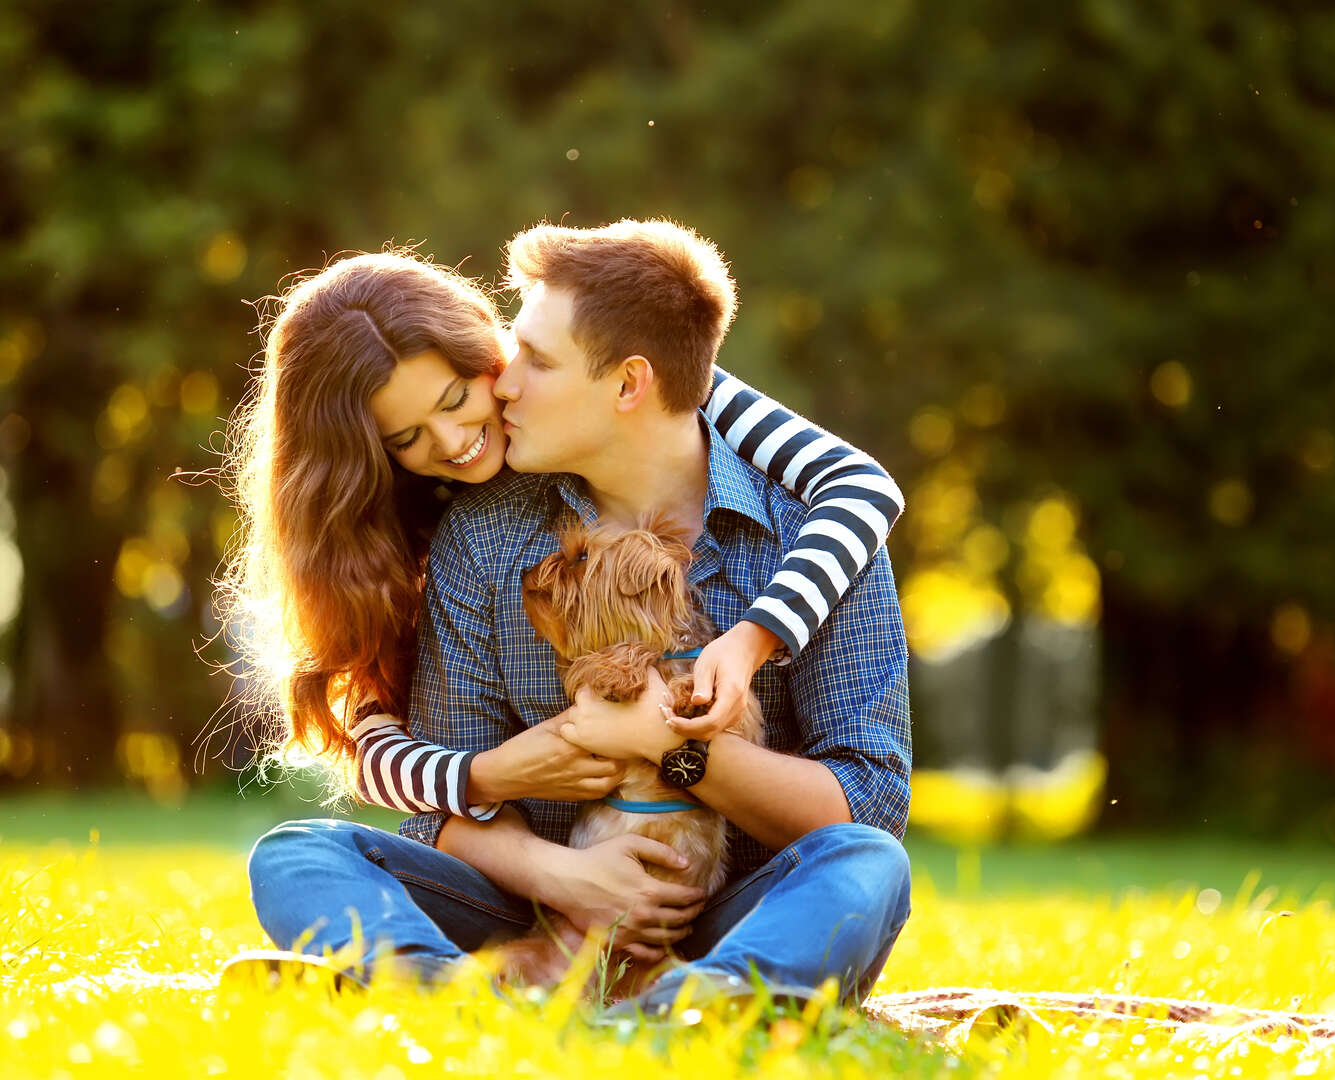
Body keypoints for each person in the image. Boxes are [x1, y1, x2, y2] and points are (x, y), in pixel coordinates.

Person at [226, 223, 912, 1009]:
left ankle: (693, 1005)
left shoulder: (816, 533)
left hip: (739, 912)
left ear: (627, 385)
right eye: (510, 352)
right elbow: (436, 809)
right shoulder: (485, 536)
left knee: (867, 866)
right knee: (297, 856)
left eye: (536, 361)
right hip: (537, 916)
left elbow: (868, 809)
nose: (506, 383)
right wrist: (572, 880)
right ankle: (460, 1001)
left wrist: (673, 749)